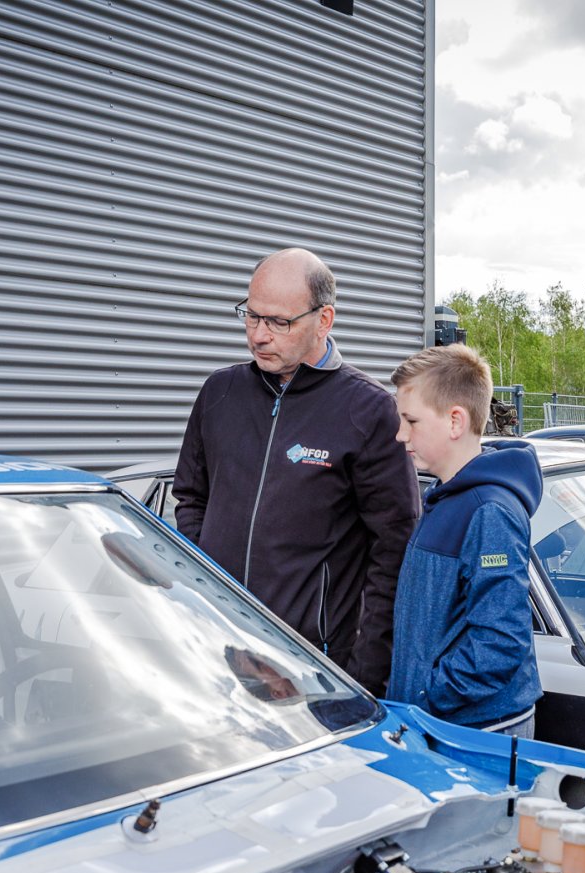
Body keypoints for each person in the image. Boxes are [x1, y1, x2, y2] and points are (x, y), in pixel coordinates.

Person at [171, 249, 419, 694]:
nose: (259, 336)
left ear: (324, 320)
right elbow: (191, 498)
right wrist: (204, 591)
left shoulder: (367, 411)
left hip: (312, 668)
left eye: (278, 322)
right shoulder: (219, 393)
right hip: (218, 651)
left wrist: (363, 674)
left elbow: (394, 549)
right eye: (251, 316)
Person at [386, 344, 543, 736]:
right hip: (440, 721)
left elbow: (500, 643)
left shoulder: (488, 511)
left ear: (455, 421)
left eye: (411, 421)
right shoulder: (446, 499)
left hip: (477, 733)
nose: (400, 435)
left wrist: (426, 695)